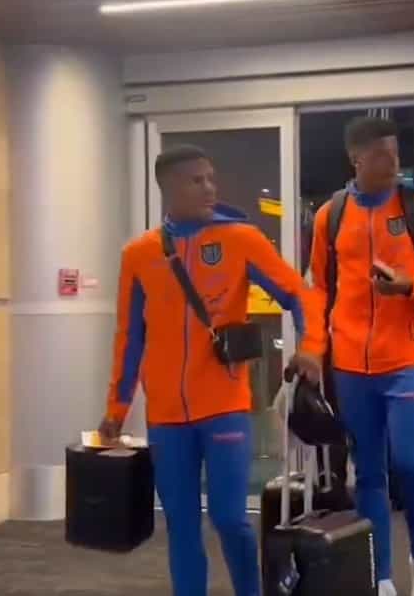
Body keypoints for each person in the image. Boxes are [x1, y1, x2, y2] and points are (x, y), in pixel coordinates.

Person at [98, 145, 323, 596]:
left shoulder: (240, 239)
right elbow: (129, 338)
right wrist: (116, 410)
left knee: (230, 518)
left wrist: (311, 347)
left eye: (210, 178)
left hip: (224, 407)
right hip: (166, 416)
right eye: (196, 180)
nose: (209, 188)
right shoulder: (140, 254)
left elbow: (300, 295)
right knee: (181, 524)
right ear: (168, 187)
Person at [309, 116, 414, 596]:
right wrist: (313, 348)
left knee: (412, 463)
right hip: (351, 365)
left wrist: (411, 286)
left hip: (408, 358)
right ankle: (381, 575)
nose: (392, 162)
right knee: (368, 472)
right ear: (355, 158)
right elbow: (318, 290)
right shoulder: (330, 216)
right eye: (380, 154)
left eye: (395, 152)